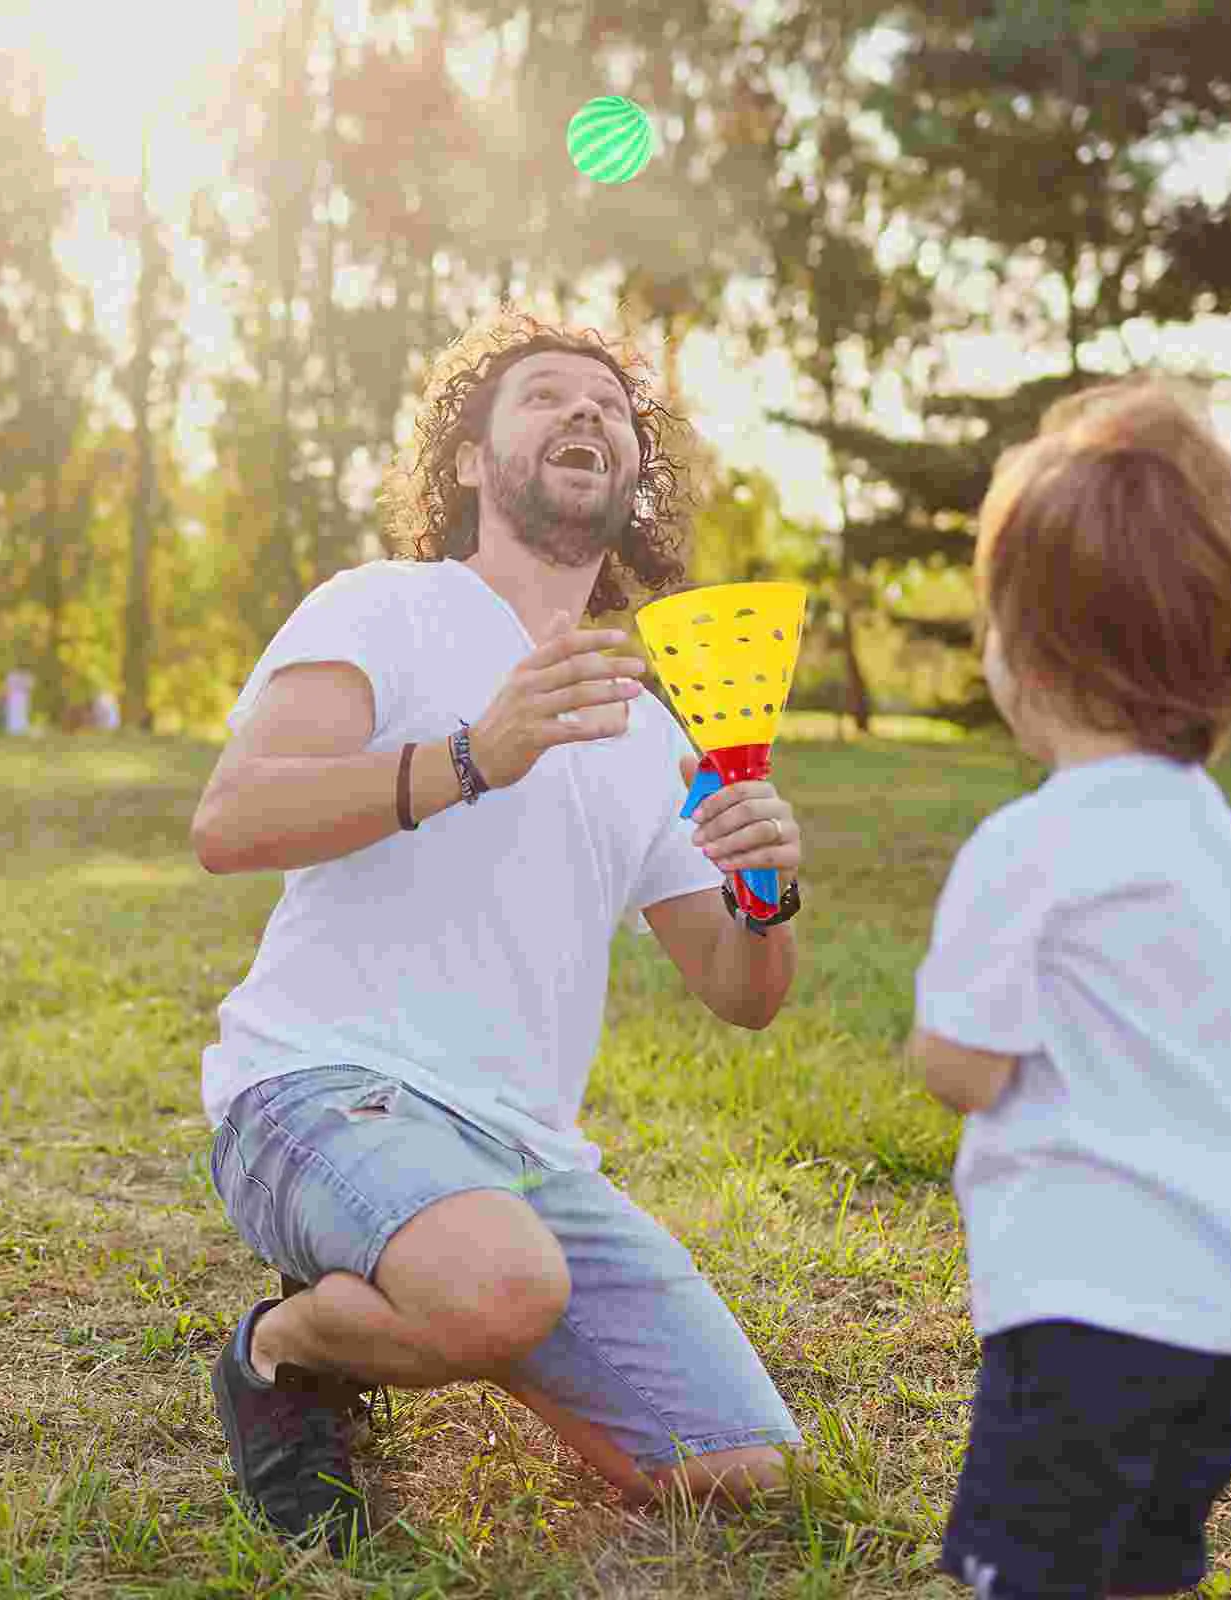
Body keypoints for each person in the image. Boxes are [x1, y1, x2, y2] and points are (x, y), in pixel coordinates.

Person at [192, 313, 807, 1553]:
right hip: (317, 1088)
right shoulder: (383, 608)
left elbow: (741, 993)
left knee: (745, 1469)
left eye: (610, 406)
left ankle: (437, 1282)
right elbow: (230, 821)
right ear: (469, 463)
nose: (586, 414)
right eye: (543, 397)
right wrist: (477, 755)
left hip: (525, 1154)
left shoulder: (647, 722)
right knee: (500, 1285)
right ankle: (285, 1346)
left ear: (635, 476)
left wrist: (765, 887)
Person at [903, 376, 1231, 1600]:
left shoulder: (1031, 845)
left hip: (1082, 1320)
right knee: (1137, 1575)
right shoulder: (1217, 841)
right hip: (1228, 1328)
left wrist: (939, 1051)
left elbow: (961, 1062)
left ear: (1024, 653)